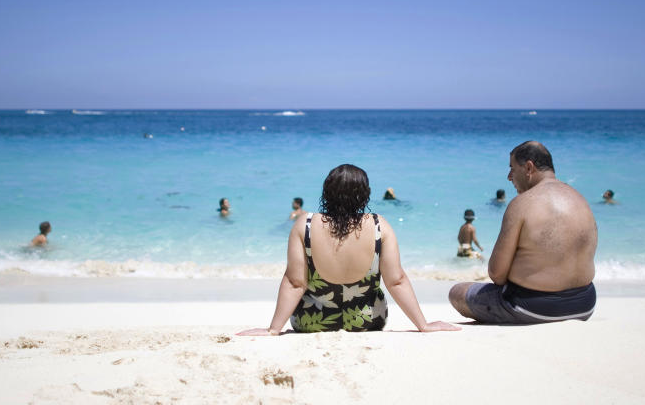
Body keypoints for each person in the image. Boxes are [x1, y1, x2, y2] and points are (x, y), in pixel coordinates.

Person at [238, 164, 458, 335]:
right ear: (365, 194)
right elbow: (396, 280)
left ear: (326, 193)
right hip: (368, 321)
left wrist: (273, 329)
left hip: (311, 321)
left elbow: (295, 282)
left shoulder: (305, 224)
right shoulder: (379, 225)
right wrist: (423, 324)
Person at [448, 141, 598, 324]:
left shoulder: (521, 204)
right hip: (585, 305)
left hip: (532, 307)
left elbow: (497, 274)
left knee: (457, 292)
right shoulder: (580, 200)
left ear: (528, 167)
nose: (509, 176)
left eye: (512, 168)